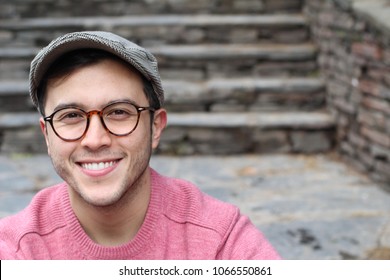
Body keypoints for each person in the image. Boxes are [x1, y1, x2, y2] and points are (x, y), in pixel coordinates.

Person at [0, 31, 280, 260]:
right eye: (71, 116)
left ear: (155, 127)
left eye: (119, 112)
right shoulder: (16, 250)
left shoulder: (220, 240)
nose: (95, 140)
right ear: (47, 134)